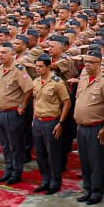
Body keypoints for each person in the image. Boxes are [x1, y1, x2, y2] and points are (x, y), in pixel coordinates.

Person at [73, 50, 104, 205]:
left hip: (96, 127)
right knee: (84, 160)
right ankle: (88, 189)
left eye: (91, 62)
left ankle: (96, 192)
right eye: (86, 62)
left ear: (99, 64)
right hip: (82, 127)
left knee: (97, 162)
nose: (87, 65)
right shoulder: (83, 79)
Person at [30, 54, 70, 194]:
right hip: (38, 121)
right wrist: (34, 117)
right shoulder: (36, 81)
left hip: (51, 121)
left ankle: (55, 181)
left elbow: (66, 102)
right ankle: (45, 179)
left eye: (41, 66)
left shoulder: (57, 82)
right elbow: (35, 99)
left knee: (53, 153)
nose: (37, 69)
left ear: (48, 67)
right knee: (40, 153)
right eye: (36, 66)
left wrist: (61, 122)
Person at [0, 43, 33, 184]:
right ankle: (8, 169)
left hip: (12, 112)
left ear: (12, 54)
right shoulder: (0, 68)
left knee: (15, 144)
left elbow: (29, 88)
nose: (1, 55)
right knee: (4, 144)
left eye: (4, 52)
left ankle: (17, 172)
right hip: (0, 112)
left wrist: (23, 105)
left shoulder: (18, 69)